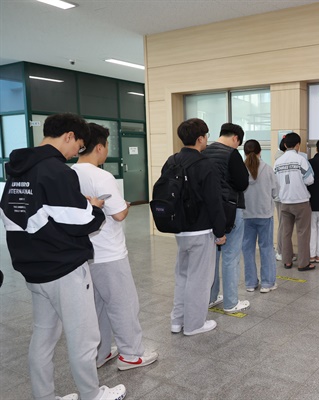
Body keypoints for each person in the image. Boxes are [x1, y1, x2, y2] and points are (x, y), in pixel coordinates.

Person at [0, 113, 126, 400]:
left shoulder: (17, 171)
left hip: (33, 269)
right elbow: (82, 222)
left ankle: (44, 397)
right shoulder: (56, 172)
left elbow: (17, 215)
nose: (76, 154)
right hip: (63, 268)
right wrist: (93, 207)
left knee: (43, 337)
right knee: (84, 338)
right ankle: (91, 395)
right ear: (68, 136)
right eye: (78, 146)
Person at [72, 123, 158, 370]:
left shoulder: (70, 173)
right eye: (107, 145)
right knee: (123, 303)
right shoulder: (101, 175)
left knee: (98, 305)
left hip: (85, 252)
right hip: (109, 252)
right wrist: (125, 206)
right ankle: (131, 354)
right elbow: (118, 214)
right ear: (99, 147)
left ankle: (100, 354)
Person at [163, 118, 226, 335]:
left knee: (183, 275)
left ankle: (177, 321)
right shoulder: (205, 164)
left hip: (179, 229)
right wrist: (220, 231)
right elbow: (214, 201)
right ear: (200, 138)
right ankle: (194, 324)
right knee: (200, 279)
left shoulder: (171, 161)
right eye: (206, 136)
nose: (207, 140)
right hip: (201, 230)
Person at [204, 123, 250, 314]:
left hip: (209, 210)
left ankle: (211, 297)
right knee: (230, 256)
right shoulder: (232, 154)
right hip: (231, 209)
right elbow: (242, 183)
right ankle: (231, 302)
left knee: (212, 257)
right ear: (236, 138)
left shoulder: (205, 151)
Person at [273, 132, 315, 271]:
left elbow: (275, 182)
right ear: (298, 145)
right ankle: (303, 263)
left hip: (284, 201)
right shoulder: (301, 160)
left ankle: (287, 261)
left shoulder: (277, 162)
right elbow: (310, 180)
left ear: (285, 144)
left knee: (286, 232)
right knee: (303, 233)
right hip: (301, 201)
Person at [242, 140, 278, 293]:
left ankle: (250, 283)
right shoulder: (268, 169)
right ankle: (267, 284)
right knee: (267, 248)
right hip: (264, 215)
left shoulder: (240, 170)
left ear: (244, 152)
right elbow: (276, 193)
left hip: (245, 215)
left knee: (247, 249)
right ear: (260, 151)